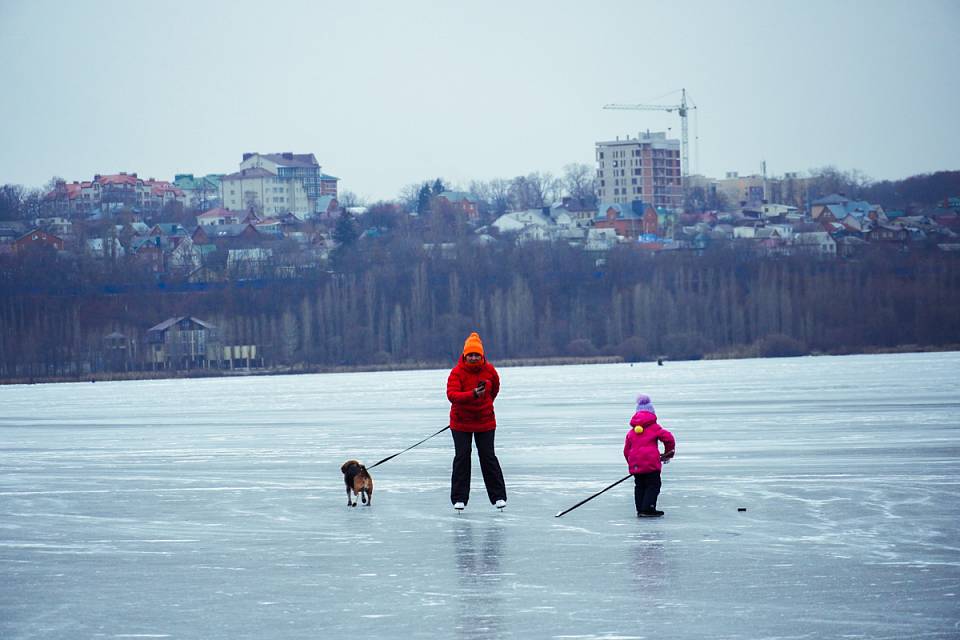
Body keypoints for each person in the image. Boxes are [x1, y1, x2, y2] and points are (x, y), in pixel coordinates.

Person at [446, 332, 506, 511]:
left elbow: (494, 389)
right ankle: (459, 498)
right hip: (461, 423)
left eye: (476, 355)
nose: (473, 358)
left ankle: (498, 497)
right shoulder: (457, 372)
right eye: (470, 354)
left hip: (485, 421)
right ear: (464, 355)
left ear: (482, 355)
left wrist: (485, 403)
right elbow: (452, 395)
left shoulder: (490, 371)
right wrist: (473, 394)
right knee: (462, 457)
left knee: (488, 457)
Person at [623, 393, 675, 517]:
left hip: (636, 464)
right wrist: (668, 453)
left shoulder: (631, 432)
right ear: (652, 414)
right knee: (653, 485)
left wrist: (633, 464)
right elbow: (669, 439)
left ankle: (640, 509)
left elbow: (626, 450)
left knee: (640, 485)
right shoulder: (655, 428)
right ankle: (648, 509)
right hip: (651, 464)